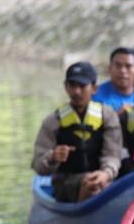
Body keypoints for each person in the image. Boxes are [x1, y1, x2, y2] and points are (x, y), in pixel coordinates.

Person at [31, 62, 122, 202]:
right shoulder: (53, 121)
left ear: (94, 88)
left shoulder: (108, 117)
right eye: (72, 85)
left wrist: (106, 173)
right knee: (90, 184)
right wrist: (53, 157)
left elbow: (113, 156)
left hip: (102, 180)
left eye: (82, 86)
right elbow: (38, 164)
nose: (77, 91)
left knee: (96, 183)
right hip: (65, 183)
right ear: (66, 87)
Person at [93, 47, 134, 113]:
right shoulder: (94, 95)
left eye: (128, 66)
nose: (123, 71)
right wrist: (116, 116)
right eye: (118, 66)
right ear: (109, 68)